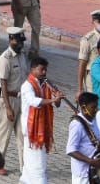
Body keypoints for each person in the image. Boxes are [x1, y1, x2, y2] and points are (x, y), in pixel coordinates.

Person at [19, 56, 65, 184]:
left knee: (33, 162)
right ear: (33, 69)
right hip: (32, 132)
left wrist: (58, 98)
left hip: (43, 129)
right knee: (38, 164)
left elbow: (58, 106)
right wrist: (52, 100)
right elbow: (34, 102)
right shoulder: (26, 86)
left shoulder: (46, 85)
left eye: (46, 70)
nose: (44, 73)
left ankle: (24, 180)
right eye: (42, 70)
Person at [0, 27, 29, 175]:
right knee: (4, 133)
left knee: (22, 134)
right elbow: (3, 83)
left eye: (21, 41)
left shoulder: (22, 55)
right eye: (17, 41)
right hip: (7, 99)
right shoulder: (5, 58)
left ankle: (25, 167)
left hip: (21, 99)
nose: (20, 44)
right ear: (10, 40)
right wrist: (8, 108)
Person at [66, 92, 100, 184]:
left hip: (93, 171)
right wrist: (91, 161)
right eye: (93, 107)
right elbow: (71, 150)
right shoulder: (77, 124)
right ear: (84, 108)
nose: (96, 110)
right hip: (82, 174)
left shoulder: (93, 119)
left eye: (97, 106)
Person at [76, 9, 100, 94]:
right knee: (94, 104)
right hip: (93, 79)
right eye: (99, 22)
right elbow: (82, 64)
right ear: (93, 22)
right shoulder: (87, 40)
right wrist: (79, 89)